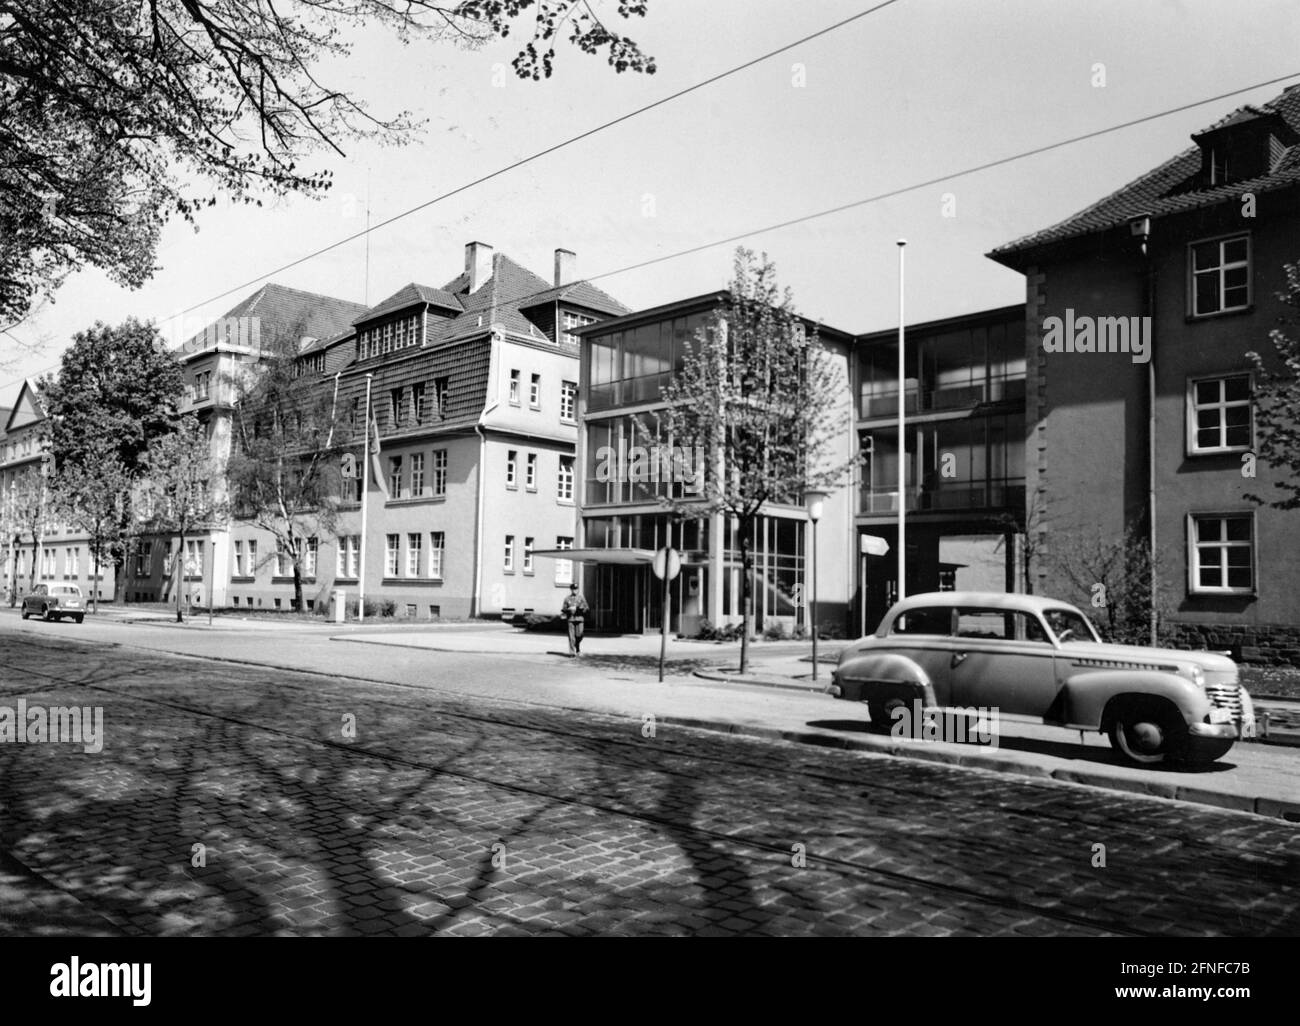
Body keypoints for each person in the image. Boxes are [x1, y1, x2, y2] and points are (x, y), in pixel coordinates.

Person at [561, 582, 589, 657]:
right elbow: (563, 609)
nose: (575, 591)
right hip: (571, 619)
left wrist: (581, 609)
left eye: (576, 589)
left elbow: (586, 608)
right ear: (571, 590)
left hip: (580, 619)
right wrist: (567, 610)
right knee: (571, 637)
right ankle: (572, 653)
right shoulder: (567, 599)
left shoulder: (581, 598)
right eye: (573, 589)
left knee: (579, 634)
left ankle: (577, 646)